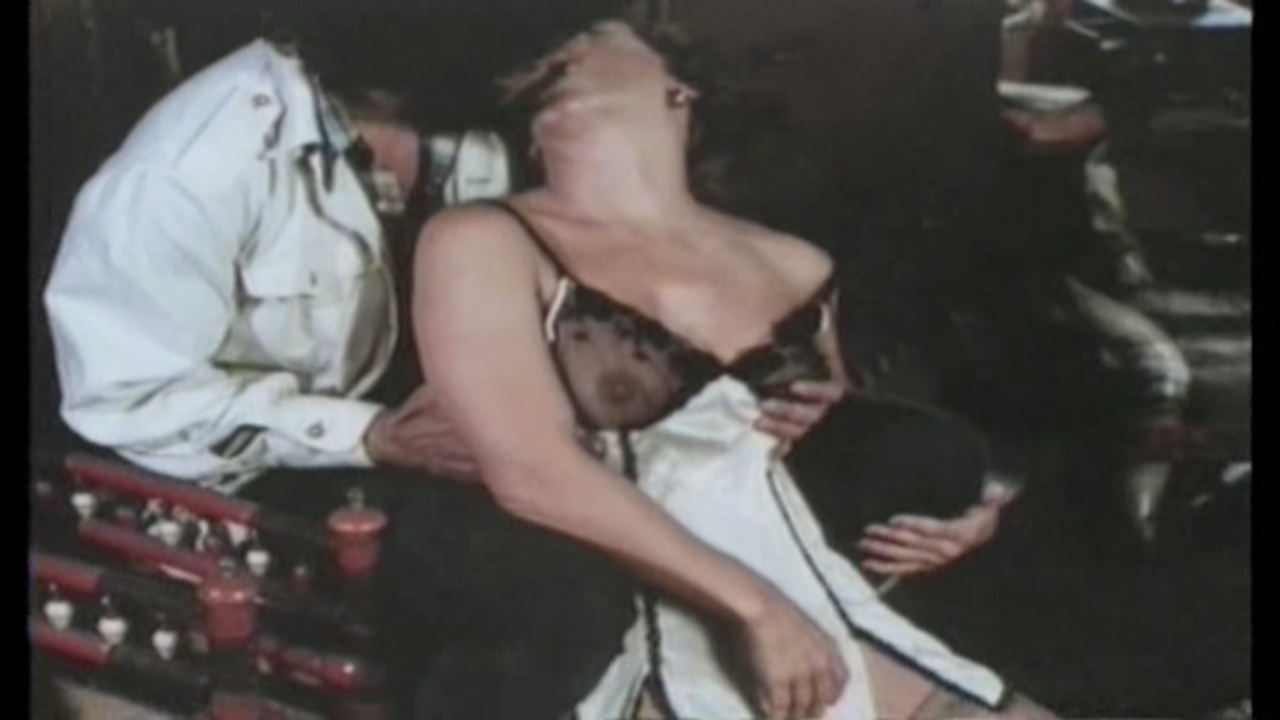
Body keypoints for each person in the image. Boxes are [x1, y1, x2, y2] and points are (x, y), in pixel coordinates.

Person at [39, 2, 848, 716]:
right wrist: (369, 435)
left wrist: (770, 366)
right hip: (267, 470)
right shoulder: (188, 168)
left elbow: (628, 264)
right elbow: (124, 400)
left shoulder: (485, 98)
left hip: (493, 422)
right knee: (552, 591)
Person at [414, 16, 1057, 720]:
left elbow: (836, 460)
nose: (568, 50)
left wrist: (965, 513)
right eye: (548, 52)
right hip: (644, 641)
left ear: (680, 85)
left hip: (839, 627)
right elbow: (531, 473)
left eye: (597, 33)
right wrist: (755, 609)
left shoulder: (796, 264)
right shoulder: (482, 238)